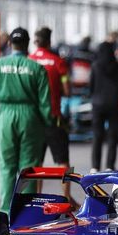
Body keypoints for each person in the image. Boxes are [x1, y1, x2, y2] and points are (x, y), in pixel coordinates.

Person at [0, 28, 52, 214]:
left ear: (9, 44)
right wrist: (47, 124)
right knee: (28, 168)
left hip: (5, 115)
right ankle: (27, 212)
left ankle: (7, 211)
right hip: (30, 118)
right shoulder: (37, 69)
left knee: (6, 166)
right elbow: (45, 103)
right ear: (28, 44)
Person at [29, 28, 72, 179]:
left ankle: (36, 197)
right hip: (54, 118)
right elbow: (67, 90)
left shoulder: (29, 60)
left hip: (34, 119)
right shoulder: (58, 62)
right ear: (49, 42)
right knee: (63, 162)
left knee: (36, 163)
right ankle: (66, 198)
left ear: (35, 42)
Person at [89, 40, 118, 172]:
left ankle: (95, 166)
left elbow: (91, 86)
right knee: (112, 137)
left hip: (98, 105)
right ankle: (109, 166)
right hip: (115, 105)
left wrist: (93, 97)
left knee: (97, 136)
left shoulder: (95, 66)